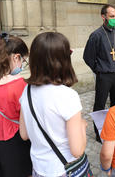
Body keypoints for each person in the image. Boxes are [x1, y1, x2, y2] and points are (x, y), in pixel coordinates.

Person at [19, 32, 89, 177]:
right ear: (63, 60)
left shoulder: (27, 90)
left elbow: (24, 134)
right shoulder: (68, 96)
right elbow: (77, 150)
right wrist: (82, 125)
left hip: (39, 168)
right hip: (63, 170)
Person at [83, 4, 115, 143]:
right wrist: (98, 69)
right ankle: (98, 132)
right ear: (103, 17)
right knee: (100, 105)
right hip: (103, 75)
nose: (114, 19)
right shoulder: (96, 35)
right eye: (111, 16)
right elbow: (87, 57)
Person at [0, 33, 32, 177]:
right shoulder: (21, 85)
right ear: (15, 57)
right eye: (24, 60)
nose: (23, 64)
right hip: (16, 142)